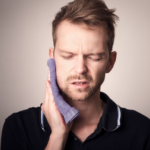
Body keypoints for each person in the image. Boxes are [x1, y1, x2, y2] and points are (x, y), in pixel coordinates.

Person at [1, 0, 150, 149]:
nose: (80, 69)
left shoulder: (142, 130)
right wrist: (58, 135)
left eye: (94, 57)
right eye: (68, 56)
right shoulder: (18, 127)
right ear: (52, 59)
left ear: (110, 62)